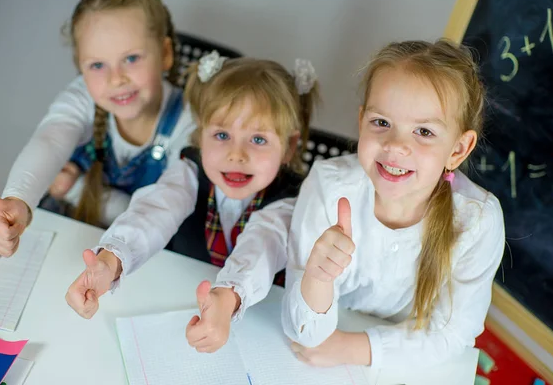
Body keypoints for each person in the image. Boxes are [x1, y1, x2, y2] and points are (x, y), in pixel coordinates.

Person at [282, 39, 505, 369]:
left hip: (403, 362)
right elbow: (302, 333)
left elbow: (455, 333)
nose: (396, 146)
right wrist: (316, 277)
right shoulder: (328, 186)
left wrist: (351, 349)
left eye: (424, 131)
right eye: (382, 123)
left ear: (458, 149)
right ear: (362, 122)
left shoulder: (477, 221)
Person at [64, 53, 320, 330]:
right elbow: (154, 211)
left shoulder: (293, 198)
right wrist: (111, 260)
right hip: (175, 304)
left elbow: (264, 244)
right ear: (200, 135)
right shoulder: (189, 171)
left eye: (258, 139)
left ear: (289, 146)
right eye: (222, 135)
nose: (236, 155)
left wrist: (228, 297)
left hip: (257, 321)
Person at [0, 0, 195, 257]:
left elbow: (164, 213)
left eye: (131, 58)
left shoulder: (189, 122)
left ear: (165, 53)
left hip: (145, 253)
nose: (115, 78)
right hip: (76, 241)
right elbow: (49, 140)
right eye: (97, 65)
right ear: (81, 67)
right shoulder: (83, 96)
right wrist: (18, 200)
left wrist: (74, 189)